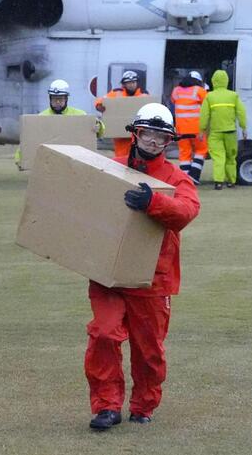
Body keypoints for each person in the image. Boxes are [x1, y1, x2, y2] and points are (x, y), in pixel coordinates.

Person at [85, 103, 200, 431]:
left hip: (152, 279)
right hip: (108, 273)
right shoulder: (113, 168)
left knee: (148, 350)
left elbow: (186, 211)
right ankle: (106, 406)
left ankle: (144, 404)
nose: (152, 141)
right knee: (104, 335)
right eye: (147, 133)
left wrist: (153, 202)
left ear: (169, 142)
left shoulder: (177, 178)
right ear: (136, 133)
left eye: (160, 136)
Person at [14, 79, 105, 165]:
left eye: (60, 99)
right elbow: (30, 139)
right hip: (50, 162)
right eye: (54, 98)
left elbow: (100, 133)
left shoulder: (80, 115)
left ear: (66, 99)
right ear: (50, 98)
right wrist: (19, 157)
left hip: (73, 162)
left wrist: (98, 126)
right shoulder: (42, 117)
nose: (57, 102)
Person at [199, 69, 247, 190]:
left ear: (213, 81)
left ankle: (218, 182)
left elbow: (204, 115)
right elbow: (241, 112)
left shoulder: (209, 96)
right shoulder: (233, 95)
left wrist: (202, 130)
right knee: (231, 158)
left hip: (215, 133)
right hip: (230, 132)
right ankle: (231, 181)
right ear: (226, 81)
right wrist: (244, 127)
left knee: (218, 157)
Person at [94, 70, 148, 158]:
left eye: (133, 82)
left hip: (139, 135)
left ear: (137, 82)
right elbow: (99, 101)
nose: (131, 84)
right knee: (121, 159)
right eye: (128, 83)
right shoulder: (116, 93)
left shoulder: (144, 96)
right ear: (124, 84)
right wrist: (100, 106)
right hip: (121, 135)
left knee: (138, 157)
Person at [170, 71, 208, 185]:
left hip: (181, 130)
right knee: (201, 150)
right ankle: (194, 176)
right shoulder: (199, 90)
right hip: (196, 128)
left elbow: (173, 100)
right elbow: (207, 103)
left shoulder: (176, 90)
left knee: (184, 153)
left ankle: (185, 180)